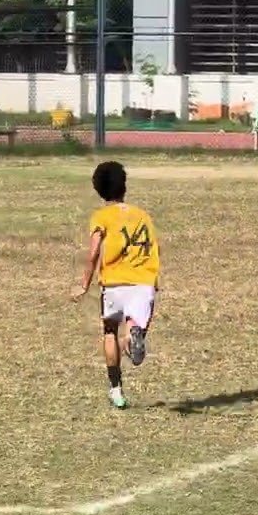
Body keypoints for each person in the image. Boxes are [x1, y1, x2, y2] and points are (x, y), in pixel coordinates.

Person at [70, 161, 160, 410]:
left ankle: (116, 390)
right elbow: (155, 248)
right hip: (143, 281)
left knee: (109, 331)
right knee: (135, 322)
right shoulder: (142, 216)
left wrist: (84, 285)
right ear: (124, 186)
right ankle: (133, 333)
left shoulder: (101, 217)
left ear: (98, 189)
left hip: (114, 283)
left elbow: (93, 253)